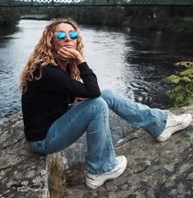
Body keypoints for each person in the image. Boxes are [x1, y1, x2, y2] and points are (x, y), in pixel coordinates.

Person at [20, 18, 192, 190]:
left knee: (106, 95)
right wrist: (80, 59)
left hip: (54, 124)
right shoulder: (48, 70)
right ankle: (100, 168)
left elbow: (78, 94)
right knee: (97, 104)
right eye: (60, 35)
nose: (68, 38)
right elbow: (92, 92)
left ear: (77, 39)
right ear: (50, 40)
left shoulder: (59, 65)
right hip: (44, 140)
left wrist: (80, 96)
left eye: (72, 35)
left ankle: (160, 124)